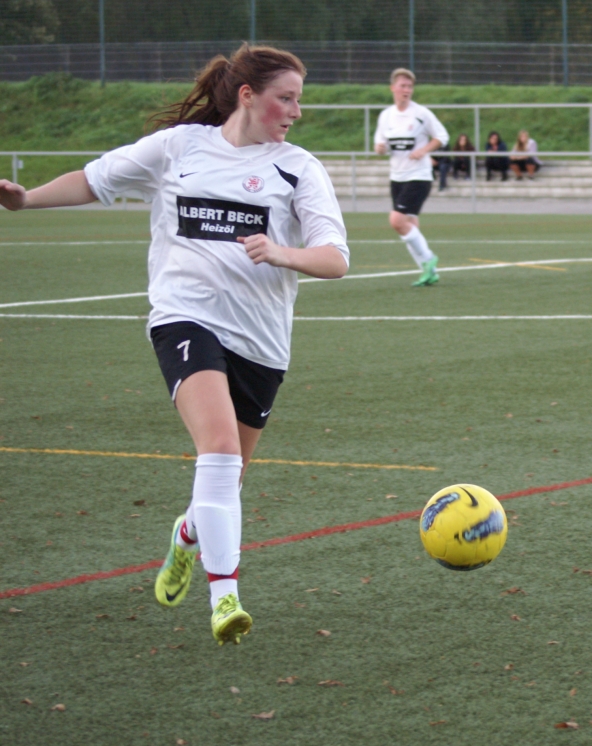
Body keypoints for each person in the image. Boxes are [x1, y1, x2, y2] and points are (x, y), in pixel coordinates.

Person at [0, 45, 350, 644]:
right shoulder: (180, 147)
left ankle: (188, 534)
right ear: (247, 95)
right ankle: (226, 598)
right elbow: (94, 179)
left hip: (262, 344)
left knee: (227, 479)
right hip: (185, 320)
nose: (295, 111)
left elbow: (336, 258)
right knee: (216, 451)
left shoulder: (299, 167)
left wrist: (281, 251)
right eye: (285, 98)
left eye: (298, 99)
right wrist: (27, 199)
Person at [374, 68, 449, 287]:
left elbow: (442, 137)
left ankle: (428, 260)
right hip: (396, 176)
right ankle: (430, 272)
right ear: (393, 88)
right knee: (410, 223)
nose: (406, 90)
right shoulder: (386, 115)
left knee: (397, 220)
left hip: (419, 175)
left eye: (410, 86)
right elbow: (380, 146)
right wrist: (380, 148)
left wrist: (424, 150)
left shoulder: (421, 113)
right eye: (403, 86)